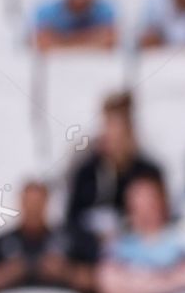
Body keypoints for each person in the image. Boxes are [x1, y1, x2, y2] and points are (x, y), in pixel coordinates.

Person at [97, 174, 185, 293]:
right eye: (137, 205)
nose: (144, 211)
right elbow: (106, 282)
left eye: (149, 204)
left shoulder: (178, 241)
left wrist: (138, 283)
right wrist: (161, 279)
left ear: (161, 204)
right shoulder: (119, 244)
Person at [64, 91, 166, 240]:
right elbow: (72, 219)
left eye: (121, 131)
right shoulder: (86, 171)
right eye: (110, 127)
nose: (115, 138)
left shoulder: (148, 172)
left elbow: (162, 217)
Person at [0, 180, 99, 293]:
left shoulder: (67, 241)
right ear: (21, 203)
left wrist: (65, 271)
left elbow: (93, 280)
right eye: (29, 202)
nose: (33, 209)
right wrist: (7, 273)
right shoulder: (1, 243)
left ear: (46, 203)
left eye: (37, 203)